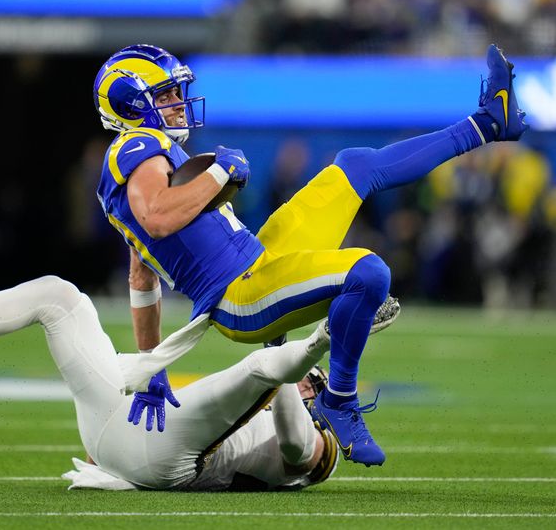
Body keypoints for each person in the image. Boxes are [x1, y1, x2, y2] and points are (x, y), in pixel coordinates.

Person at [92, 43, 528, 466]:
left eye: (174, 92)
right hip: (239, 294)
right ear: (129, 105)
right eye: (164, 95)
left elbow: (141, 279)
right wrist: (221, 171)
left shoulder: (143, 159)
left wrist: (151, 369)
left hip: (259, 259)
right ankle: (339, 399)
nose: (176, 102)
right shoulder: (134, 147)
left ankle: (487, 123)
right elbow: (156, 218)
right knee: (368, 273)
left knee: (356, 166)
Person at [0, 250, 338, 491]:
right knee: (59, 297)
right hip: (124, 435)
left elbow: (295, 438)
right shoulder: (276, 399)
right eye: (310, 375)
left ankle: (329, 334)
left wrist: (314, 343)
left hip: (166, 461)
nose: (306, 382)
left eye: (311, 379)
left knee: (259, 364)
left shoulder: (311, 448)